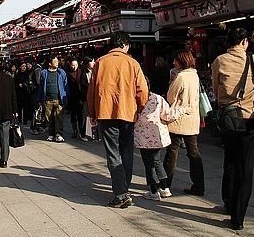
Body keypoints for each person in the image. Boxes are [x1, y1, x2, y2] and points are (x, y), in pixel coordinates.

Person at [212, 27, 254, 230]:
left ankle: (228, 201)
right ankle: (238, 217)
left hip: (228, 118)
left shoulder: (219, 61)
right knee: (246, 167)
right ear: (244, 42)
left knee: (230, 160)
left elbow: (217, 90)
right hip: (250, 119)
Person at [87, 31, 149, 208]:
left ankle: (121, 193)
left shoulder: (100, 63)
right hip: (128, 114)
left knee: (113, 153)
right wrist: (139, 108)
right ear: (126, 45)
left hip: (106, 114)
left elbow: (91, 91)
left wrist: (92, 112)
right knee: (127, 152)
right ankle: (124, 189)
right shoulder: (132, 63)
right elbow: (142, 91)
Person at [163, 50, 205, 196]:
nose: (174, 63)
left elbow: (170, 96)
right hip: (192, 118)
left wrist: (171, 82)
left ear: (182, 61)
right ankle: (199, 185)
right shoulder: (194, 75)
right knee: (193, 152)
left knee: (172, 151)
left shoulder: (181, 76)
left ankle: (165, 184)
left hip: (179, 118)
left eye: (176, 60)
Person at [135, 90, 189, 200]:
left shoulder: (134, 99)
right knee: (157, 161)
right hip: (157, 136)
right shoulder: (158, 98)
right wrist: (183, 109)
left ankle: (154, 191)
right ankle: (165, 188)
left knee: (149, 163)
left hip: (142, 137)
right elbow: (167, 115)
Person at [39, 54, 68, 142]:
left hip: (59, 99)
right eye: (55, 61)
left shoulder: (61, 72)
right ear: (49, 63)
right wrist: (40, 100)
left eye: (57, 61)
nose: (57, 63)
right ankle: (51, 134)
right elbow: (41, 87)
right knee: (49, 118)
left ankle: (59, 134)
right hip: (48, 99)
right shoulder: (44, 73)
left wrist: (66, 97)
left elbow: (66, 85)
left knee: (59, 118)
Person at [66, 58, 87, 140]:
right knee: (73, 115)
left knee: (80, 115)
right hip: (72, 97)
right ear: (70, 65)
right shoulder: (68, 73)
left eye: (75, 65)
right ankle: (74, 131)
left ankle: (81, 131)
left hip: (80, 97)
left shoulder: (81, 72)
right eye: (72, 65)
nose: (74, 67)